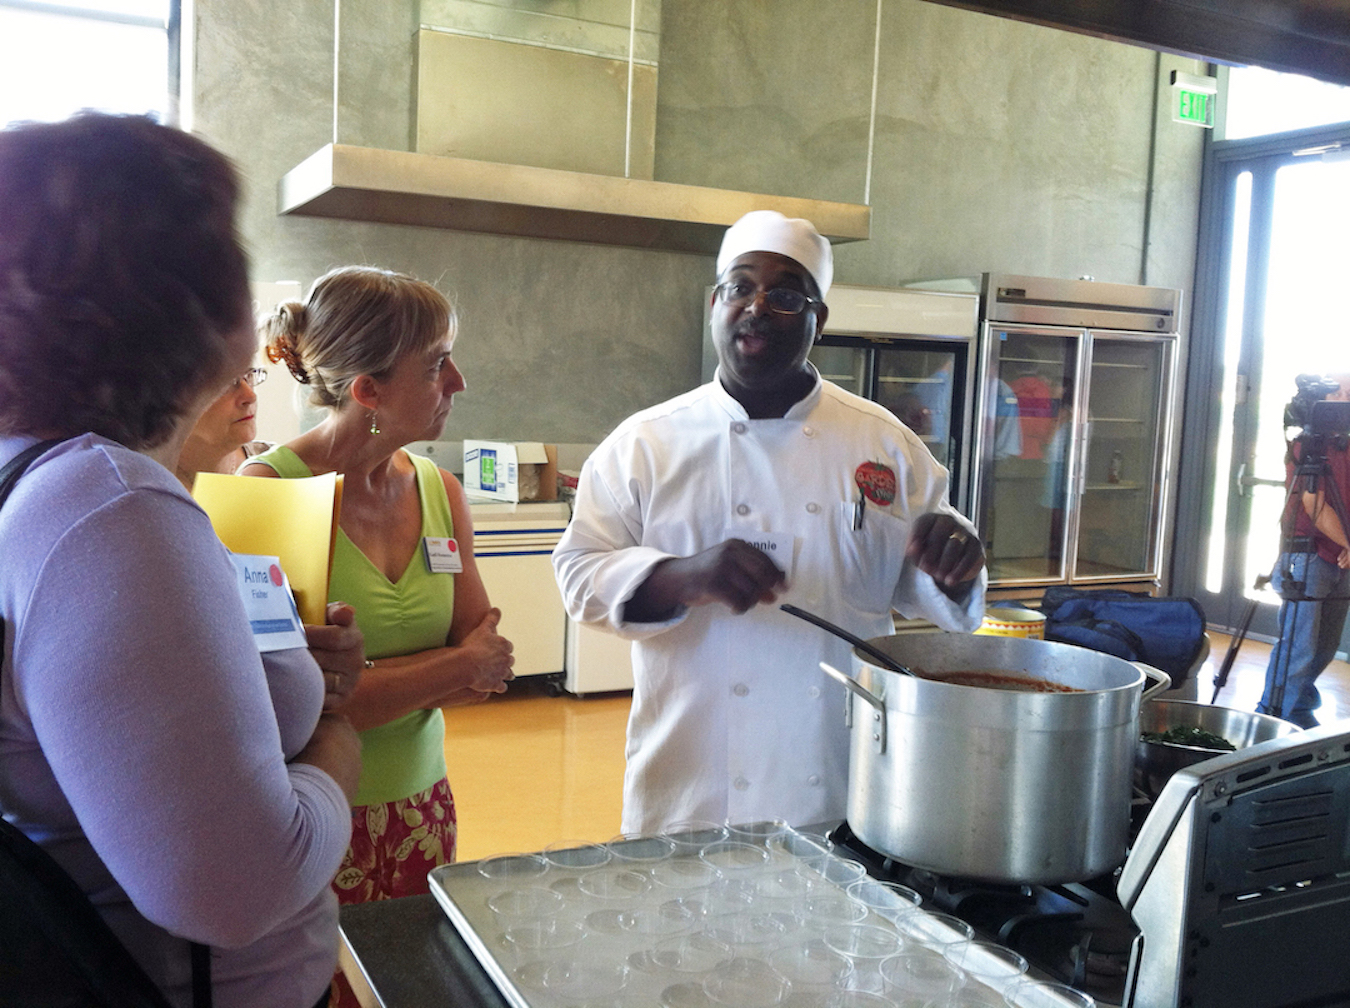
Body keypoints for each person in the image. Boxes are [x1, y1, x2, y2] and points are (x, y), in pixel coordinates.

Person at [0, 113, 361, 1008]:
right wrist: (333, 753)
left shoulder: (37, 476)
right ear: (190, 293)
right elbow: (236, 886)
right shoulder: (111, 508)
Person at [553, 210, 987, 833]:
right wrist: (679, 576)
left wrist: (953, 572)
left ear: (820, 319)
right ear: (714, 303)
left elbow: (929, 586)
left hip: (840, 783)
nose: (756, 306)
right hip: (689, 787)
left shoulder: (883, 443)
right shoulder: (645, 443)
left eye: (785, 294)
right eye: (740, 287)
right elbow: (577, 573)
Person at [242, 267, 515, 923]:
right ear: (369, 390)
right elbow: (282, 710)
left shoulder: (439, 491)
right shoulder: (269, 494)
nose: (459, 383)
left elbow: (492, 673)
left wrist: (367, 682)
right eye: (438, 365)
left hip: (424, 807)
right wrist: (453, 665)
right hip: (314, 816)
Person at [1259, 375, 1350, 728]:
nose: (1344, 400)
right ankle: (1272, 718)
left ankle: (1298, 708)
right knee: (1298, 649)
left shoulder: (1345, 447)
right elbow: (1315, 506)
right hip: (1307, 558)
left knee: (1325, 648)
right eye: (1338, 393)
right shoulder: (1305, 449)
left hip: (1340, 559)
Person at [175, 365, 272, 486]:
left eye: (249, 375)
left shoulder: (281, 469)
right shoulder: (150, 487)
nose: (251, 396)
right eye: (227, 383)